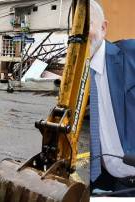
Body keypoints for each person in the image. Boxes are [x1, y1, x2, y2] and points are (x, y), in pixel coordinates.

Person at [90, 0, 135, 196]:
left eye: (86, 24)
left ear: (103, 27)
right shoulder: (73, 77)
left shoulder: (130, 55)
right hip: (103, 182)